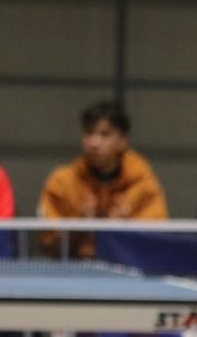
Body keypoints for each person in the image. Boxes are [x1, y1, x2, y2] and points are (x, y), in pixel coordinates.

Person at [38, 99, 168, 258]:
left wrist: (127, 229)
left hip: (129, 272)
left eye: (104, 134)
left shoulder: (143, 184)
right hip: (74, 271)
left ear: (122, 141)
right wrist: (79, 226)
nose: (94, 143)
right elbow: (47, 243)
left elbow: (157, 242)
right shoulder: (62, 182)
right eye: (89, 133)